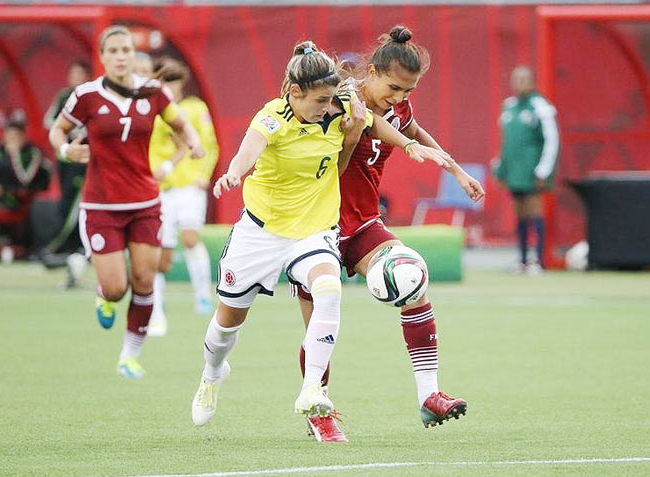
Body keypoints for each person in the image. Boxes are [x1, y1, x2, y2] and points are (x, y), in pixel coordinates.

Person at [191, 40, 453, 429]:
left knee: (329, 290)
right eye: (321, 100)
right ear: (295, 93)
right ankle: (212, 375)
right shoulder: (271, 118)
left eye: (334, 99)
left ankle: (313, 391)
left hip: (313, 231)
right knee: (227, 323)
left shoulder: (340, 107)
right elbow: (250, 148)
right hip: (261, 233)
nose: (330, 107)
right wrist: (234, 171)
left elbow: (372, 121)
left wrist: (410, 146)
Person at [296, 26, 485, 441]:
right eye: (395, 87)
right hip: (315, 226)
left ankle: (429, 395)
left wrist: (455, 169)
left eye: (409, 90)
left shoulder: (399, 108)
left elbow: (414, 133)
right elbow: (325, 171)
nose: (400, 98)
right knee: (320, 327)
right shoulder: (336, 102)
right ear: (373, 72)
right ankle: (317, 411)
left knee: (412, 278)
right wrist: (354, 137)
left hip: (362, 222)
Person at [48, 25, 204, 379]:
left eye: (125, 50)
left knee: (145, 280)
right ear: (102, 58)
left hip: (145, 202)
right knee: (118, 288)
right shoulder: (85, 96)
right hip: (101, 206)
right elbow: (57, 129)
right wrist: (65, 149)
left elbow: (182, 125)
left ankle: (129, 356)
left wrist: (193, 142)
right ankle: (104, 294)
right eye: (113, 51)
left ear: (134, 56)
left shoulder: (155, 92)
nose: (120, 57)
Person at [148, 57, 220, 337]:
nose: (170, 87)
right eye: (164, 82)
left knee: (191, 238)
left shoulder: (194, 108)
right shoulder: (153, 111)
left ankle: (202, 295)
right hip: (161, 188)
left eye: (173, 82)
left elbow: (210, 144)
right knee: (161, 254)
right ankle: (157, 302)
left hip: (189, 185)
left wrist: (204, 174)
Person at [494, 65, 559, 274]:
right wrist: (501, 168)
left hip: (533, 172)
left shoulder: (541, 107)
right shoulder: (509, 107)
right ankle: (522, 260)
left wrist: (543, 170)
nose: (519, 83)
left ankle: (538, 261)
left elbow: (551, 140)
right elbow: (507, 142)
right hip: (514, 172)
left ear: (532, 82)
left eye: (524, 79)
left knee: (534, 212)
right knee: (520, 214)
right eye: (516, 79)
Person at [42, 60, 92, 284]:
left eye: (79, 73)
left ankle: (62, 247)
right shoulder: (65, 97)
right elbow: (50, 122)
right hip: (64, 160)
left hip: (83, 162)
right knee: (67, 201)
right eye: (72, 73)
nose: (75, 77)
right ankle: (72, 253)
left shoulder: (91, 95)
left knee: (76, 206)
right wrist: (66, 136)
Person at [0, 119, 51, 254]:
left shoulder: (32, 153)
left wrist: (15, 155)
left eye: (15, 137)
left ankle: (28, 249)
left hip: (18, 200)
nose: (11, 140)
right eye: (9, 136)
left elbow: (25, 180)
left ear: (23, 137)